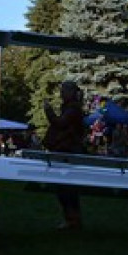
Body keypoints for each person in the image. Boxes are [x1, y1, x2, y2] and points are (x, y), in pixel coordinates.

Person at [43, 80, 86, 230]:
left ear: (71, 92)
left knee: (66, 187)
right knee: (65, 187)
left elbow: (60, 123)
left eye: (63, 90)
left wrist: (48, 110)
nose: (61, 93)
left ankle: (72, 219)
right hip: (67, 150)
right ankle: (72, 218)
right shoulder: (71, 108)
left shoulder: (72, 110)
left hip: (68, 152)